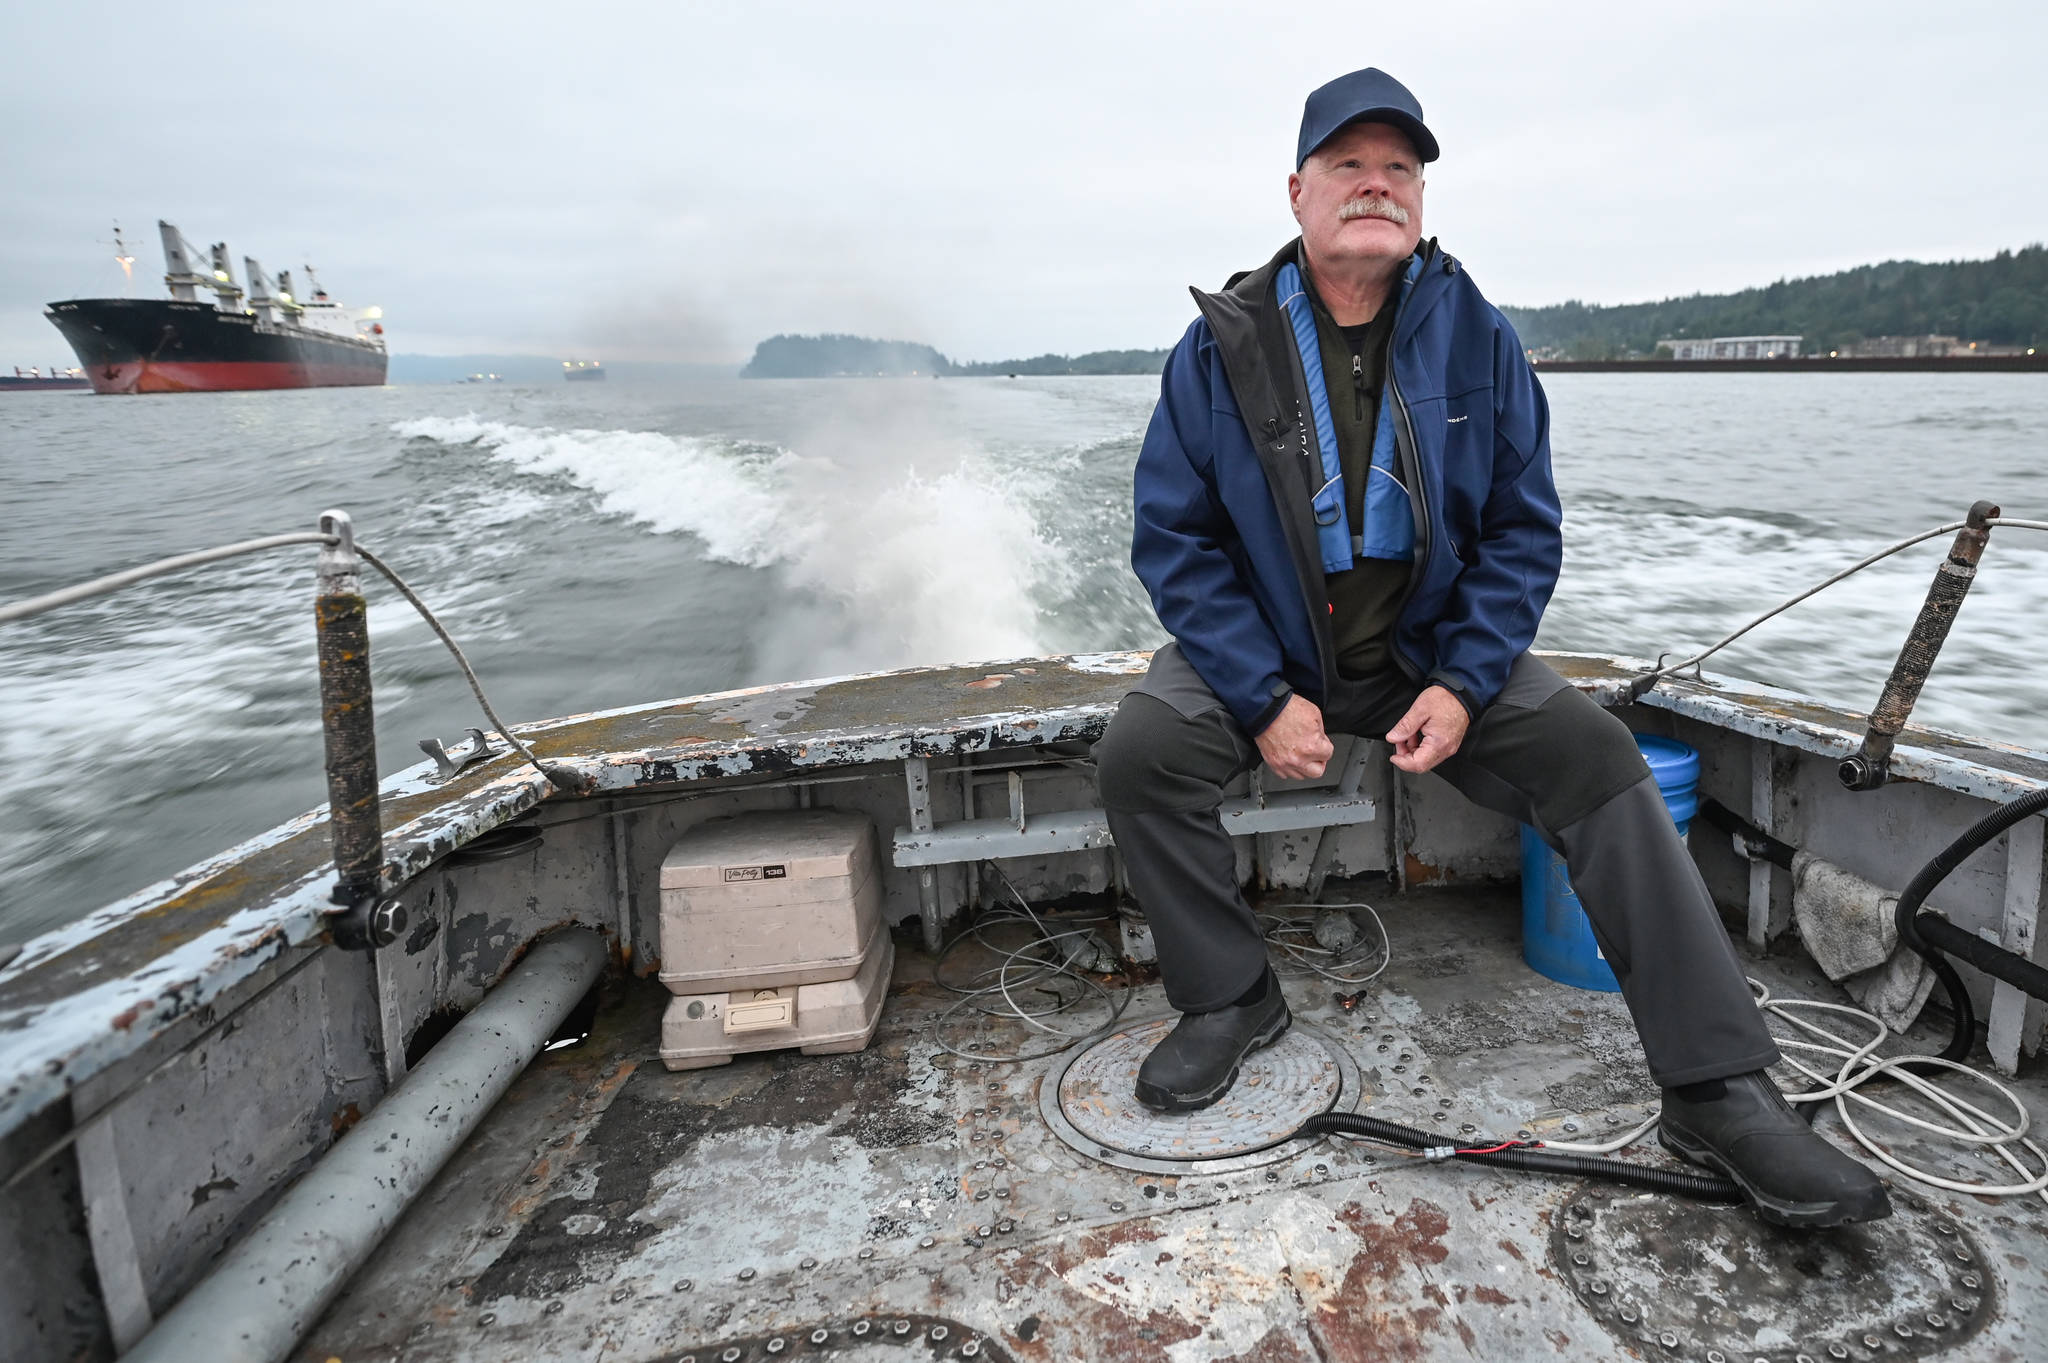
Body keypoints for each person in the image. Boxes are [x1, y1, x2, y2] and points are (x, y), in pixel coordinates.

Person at [1090, 67, 1889, 1228]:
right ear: (1296, 192)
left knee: (1597, 761)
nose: (1376, 185)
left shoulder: (1478, 336)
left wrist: (1464, 684)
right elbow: (1173, 539)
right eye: (1348, 166)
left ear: (1420, 197)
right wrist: (1259, 695)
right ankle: (1230, 998)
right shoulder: (1217, 347)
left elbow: (1522, 533)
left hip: (1431, 652)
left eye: (1399, 169)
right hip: (1266, 647)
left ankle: (1717, 1084)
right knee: (1141, 750)